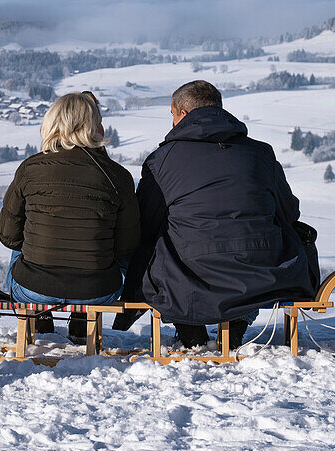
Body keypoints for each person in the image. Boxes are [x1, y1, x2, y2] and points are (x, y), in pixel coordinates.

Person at [114, 80, 317, 348]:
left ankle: (190, 330)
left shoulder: (162, 160)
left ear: (182, 114)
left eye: (172, 115)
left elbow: (147, 222)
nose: (172, 122)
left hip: (187, 275)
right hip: (261, 273)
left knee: (154, 249)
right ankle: (236, 327)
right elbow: (289, 211)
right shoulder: (261, 153)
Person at [0, 92, 139, 337]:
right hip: (97, 290)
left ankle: (39, 318)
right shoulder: (118, 176)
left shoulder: (30, 168)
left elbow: (8, 236)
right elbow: (127, 244)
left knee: (22, 243)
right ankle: (82, 319)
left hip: (33, 288)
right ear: (94, 127)